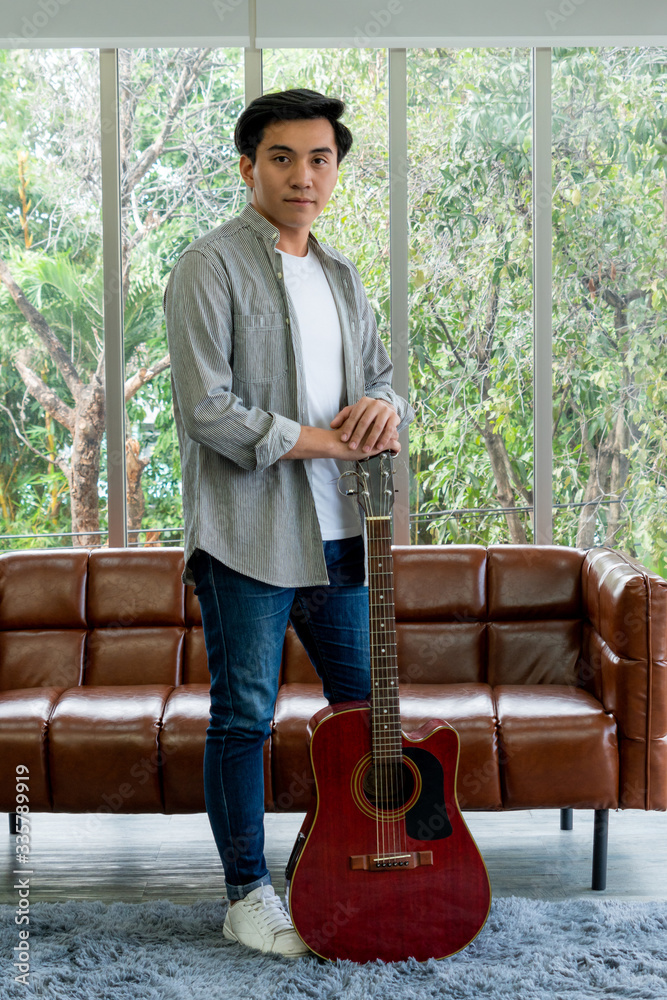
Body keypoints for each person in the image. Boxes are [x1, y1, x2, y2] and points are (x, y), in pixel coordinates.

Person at [163, 88, 413, 957]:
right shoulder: (209, 266)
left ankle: (335, 859)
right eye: (283, 158)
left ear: (334, 169)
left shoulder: (341, 274)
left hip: (343, 534)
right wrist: (322, 442)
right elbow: (207, 410)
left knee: (364, 713)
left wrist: (383, 411)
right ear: (248, 167)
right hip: (246, 537)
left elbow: (383, 379)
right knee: (243, 718)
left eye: (320, 159)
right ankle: (246, 893)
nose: (303, 176)